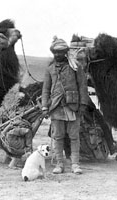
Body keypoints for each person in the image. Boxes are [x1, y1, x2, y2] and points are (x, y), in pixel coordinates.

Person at [41, 36, 90, 174]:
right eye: (55, 52)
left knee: (74, 137)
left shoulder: (75, 67)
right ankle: (59, 164)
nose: (58, 54)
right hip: (56, 107)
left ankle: (75, 164)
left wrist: (82, 105)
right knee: (58, 137)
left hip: (73, 106)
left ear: (65, 52)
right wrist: (45, 106)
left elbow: (82, 87)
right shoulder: (49, 69)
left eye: (61, 52)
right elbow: (45, 89)